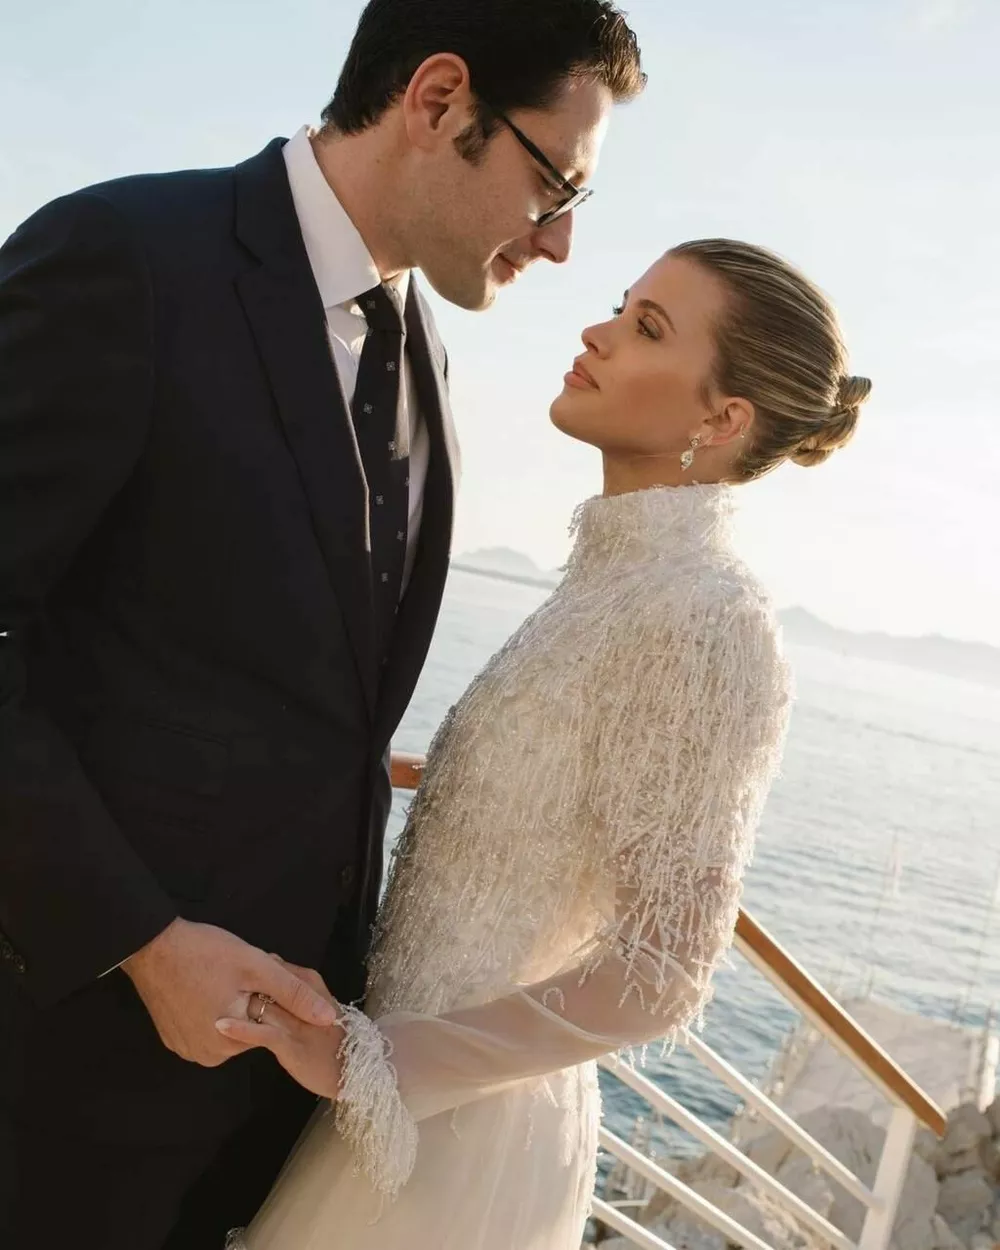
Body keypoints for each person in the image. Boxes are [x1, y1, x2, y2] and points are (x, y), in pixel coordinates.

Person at [0, 3, 646, 1248]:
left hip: (277, 1104)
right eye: (554, 185)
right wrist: (140, 941)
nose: (561, 243)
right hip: (63, 1075)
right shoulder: (128, 257)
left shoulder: (424, 356)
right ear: (439, 100)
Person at [216, 239, 873, 1250]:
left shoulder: (706, 617)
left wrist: (378, 1064)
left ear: (721, 420)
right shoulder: (612, 582)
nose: (596, 332)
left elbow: (664, 967)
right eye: (621, 305)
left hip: (453, 1152)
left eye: (647, 327)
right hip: (387, 1100)